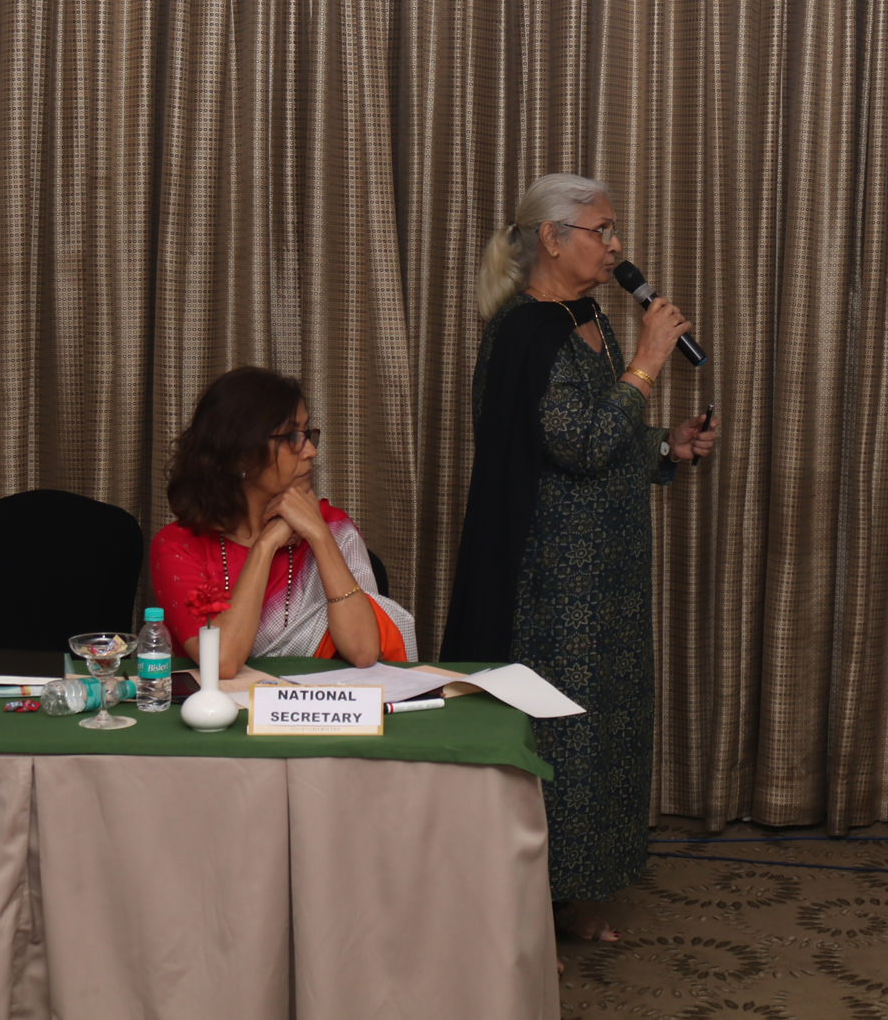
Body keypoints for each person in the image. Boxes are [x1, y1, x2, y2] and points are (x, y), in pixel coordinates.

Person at [441, 173, 718, 943]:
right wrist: (649, 361)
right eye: (603, 230)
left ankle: (581, 889)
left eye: (615, 229)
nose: (617, 246)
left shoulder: (588, 316)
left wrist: (666, 445)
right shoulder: (524, 332)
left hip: (612, 570)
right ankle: (526, 916)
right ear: (553, 238)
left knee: (605, 728)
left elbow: (609, 432)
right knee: (559, 733)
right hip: (554, 578)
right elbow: (582, 443)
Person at [151, 366, 408, 677]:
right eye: (292, 437)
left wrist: (318, 535)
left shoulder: (333, 527)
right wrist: (266, 544)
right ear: (241, 454)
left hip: (311, 704)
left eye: (308, 434)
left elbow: (365, 651)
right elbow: (221, 663)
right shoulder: (178, 547)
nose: (311, 451)